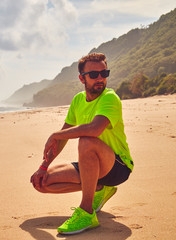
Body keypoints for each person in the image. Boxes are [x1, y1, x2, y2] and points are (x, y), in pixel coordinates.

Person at [30, 52, 134, 235]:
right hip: (92, 165)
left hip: (118, 166)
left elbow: (94, 129)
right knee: (42, 183)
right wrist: (44, 166)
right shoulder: (78, 100)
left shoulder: (110, 98)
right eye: (94, 75)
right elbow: (61, 139)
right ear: (82, 78)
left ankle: (86, 212)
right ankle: (100, 188)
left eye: (104, 73)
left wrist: (55, 134)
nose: (100, 78)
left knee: (86, 140)